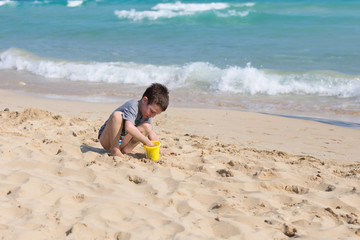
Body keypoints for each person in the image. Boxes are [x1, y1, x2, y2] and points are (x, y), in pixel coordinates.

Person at [98, 83, 169, 156]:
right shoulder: (133, 105)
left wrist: (159, 150)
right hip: (108, 139)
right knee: (117, 116)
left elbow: (151, 133)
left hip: (121, 142)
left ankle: (126, 150)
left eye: (156, 114)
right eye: (152, 111)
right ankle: (115, 149)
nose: (153, 116)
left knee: (147, 127)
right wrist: (146, 142)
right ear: (145, 100)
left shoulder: (147, 114)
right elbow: (128, 127)